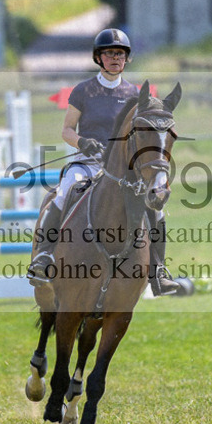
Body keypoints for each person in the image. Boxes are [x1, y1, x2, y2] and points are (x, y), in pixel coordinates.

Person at [26, 28, 179, 296]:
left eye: (120, 54)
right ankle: (45, 256)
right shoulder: (83, 90)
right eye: (109, 53)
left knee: (156, 210)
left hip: (123, 170)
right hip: (87, 163)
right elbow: (67, 130)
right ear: (99, 58)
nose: (115, 58)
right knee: (64, 192)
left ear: (126, 59)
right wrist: (82, 142)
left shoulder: (135, 94)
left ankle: (158, 270)